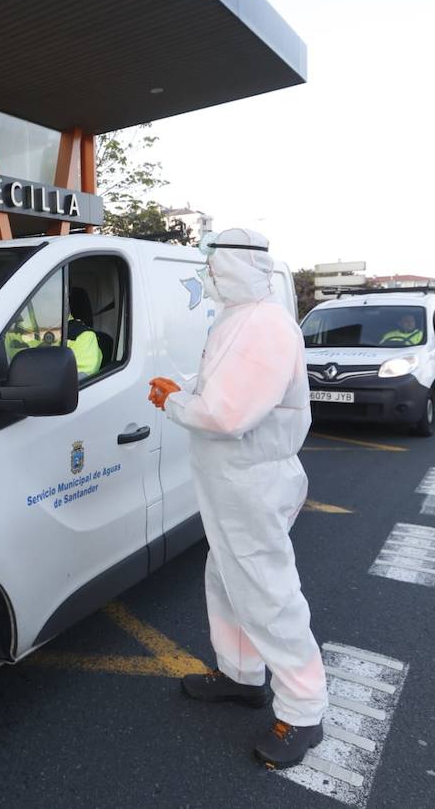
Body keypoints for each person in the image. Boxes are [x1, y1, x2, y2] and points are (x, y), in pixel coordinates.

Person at [147, 228, 327, 768]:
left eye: (215, 268)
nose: (208, 276)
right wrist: (182, 388)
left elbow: (228, 414)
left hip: (251, 478)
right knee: (226, 577)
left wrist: (175, 401)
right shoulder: (238, 316)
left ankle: (303, 711)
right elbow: (221, 386)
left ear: (243, 269)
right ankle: (241, 675)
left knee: (266, 592)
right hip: (232, 478)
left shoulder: (265, 324)